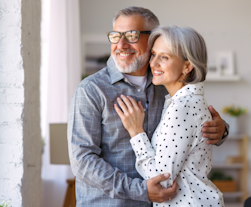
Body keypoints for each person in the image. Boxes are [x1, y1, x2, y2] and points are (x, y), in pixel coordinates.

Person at [68, 7, 228, 207]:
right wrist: (141, 191)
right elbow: (83, 161)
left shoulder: (167, 82)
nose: (121, 44)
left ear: (152, 39)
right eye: (116, 36)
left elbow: (192, 124)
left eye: (131, 35)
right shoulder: (91, 90)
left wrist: (221, 131)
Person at [114, 25, 224, 207]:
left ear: (187, 66)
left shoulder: (182, 107)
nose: (153, 63)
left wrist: (136, 133)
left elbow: (161, 180)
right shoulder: (179, 102)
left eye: (164, 57)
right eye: (154, 54)